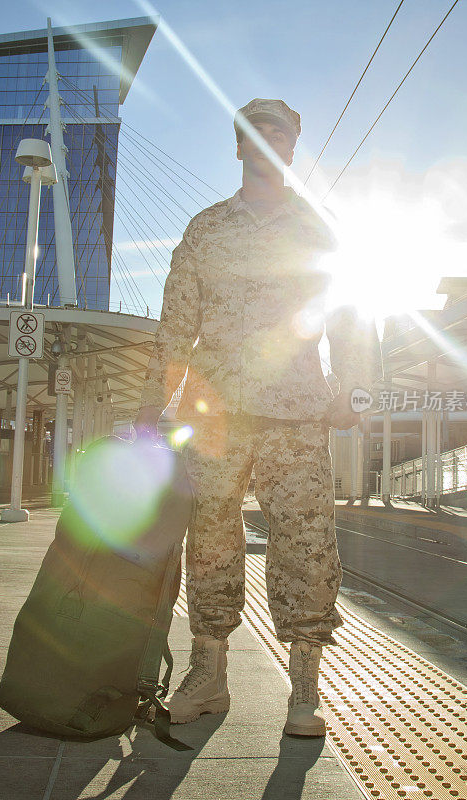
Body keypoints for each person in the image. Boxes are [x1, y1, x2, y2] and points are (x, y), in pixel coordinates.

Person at [134, 98, 383, 736]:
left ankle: (305, 689)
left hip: (296, 414)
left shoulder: (320, 229)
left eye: (280, 135)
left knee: (305, 543)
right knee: (211, 540)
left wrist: (353, 391)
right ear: (239, 147)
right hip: (213, 414)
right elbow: (176, 322)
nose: (268, 143)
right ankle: (208, 673)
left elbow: (352, 314)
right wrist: (151, 401)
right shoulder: (205, 230)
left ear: (291, 152)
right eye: (255, 134)